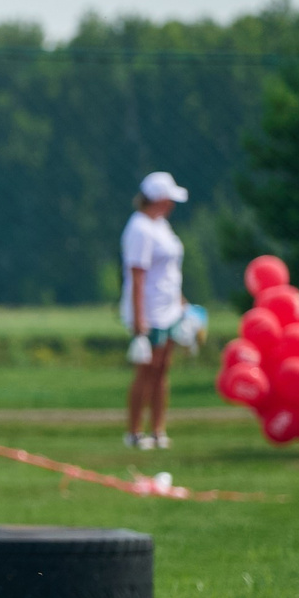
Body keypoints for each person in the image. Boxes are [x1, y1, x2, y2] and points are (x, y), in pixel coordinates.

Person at [120, 171, 189, 450]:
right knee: (146, 371)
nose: (171, 205)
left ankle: (158, 430)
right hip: (149, 312)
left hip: (169, 308)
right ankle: (135, 432)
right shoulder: (139, 228)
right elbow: (137, 276)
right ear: (157, 199)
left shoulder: (160, 225)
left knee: (162, 370)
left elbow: (170, 271)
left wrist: (182, 304)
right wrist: (140, 322)